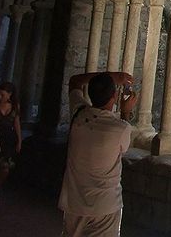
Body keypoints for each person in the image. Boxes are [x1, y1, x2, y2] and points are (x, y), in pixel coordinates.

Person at [59, 71, 138, 237]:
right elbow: (123, 148)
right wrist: (126, 112)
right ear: (115, 96)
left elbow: (74, 80)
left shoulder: (78, 114)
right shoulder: (119, 128)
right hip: (104, 206)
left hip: (74, 201)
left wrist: (111, 76)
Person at [0, 81, 21, 187]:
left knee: (5, 167)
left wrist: (19, 140)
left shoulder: (15, 106)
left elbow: (16, 123)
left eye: (3, 94)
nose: (0, 96)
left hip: (8, 138)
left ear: (10, 94)